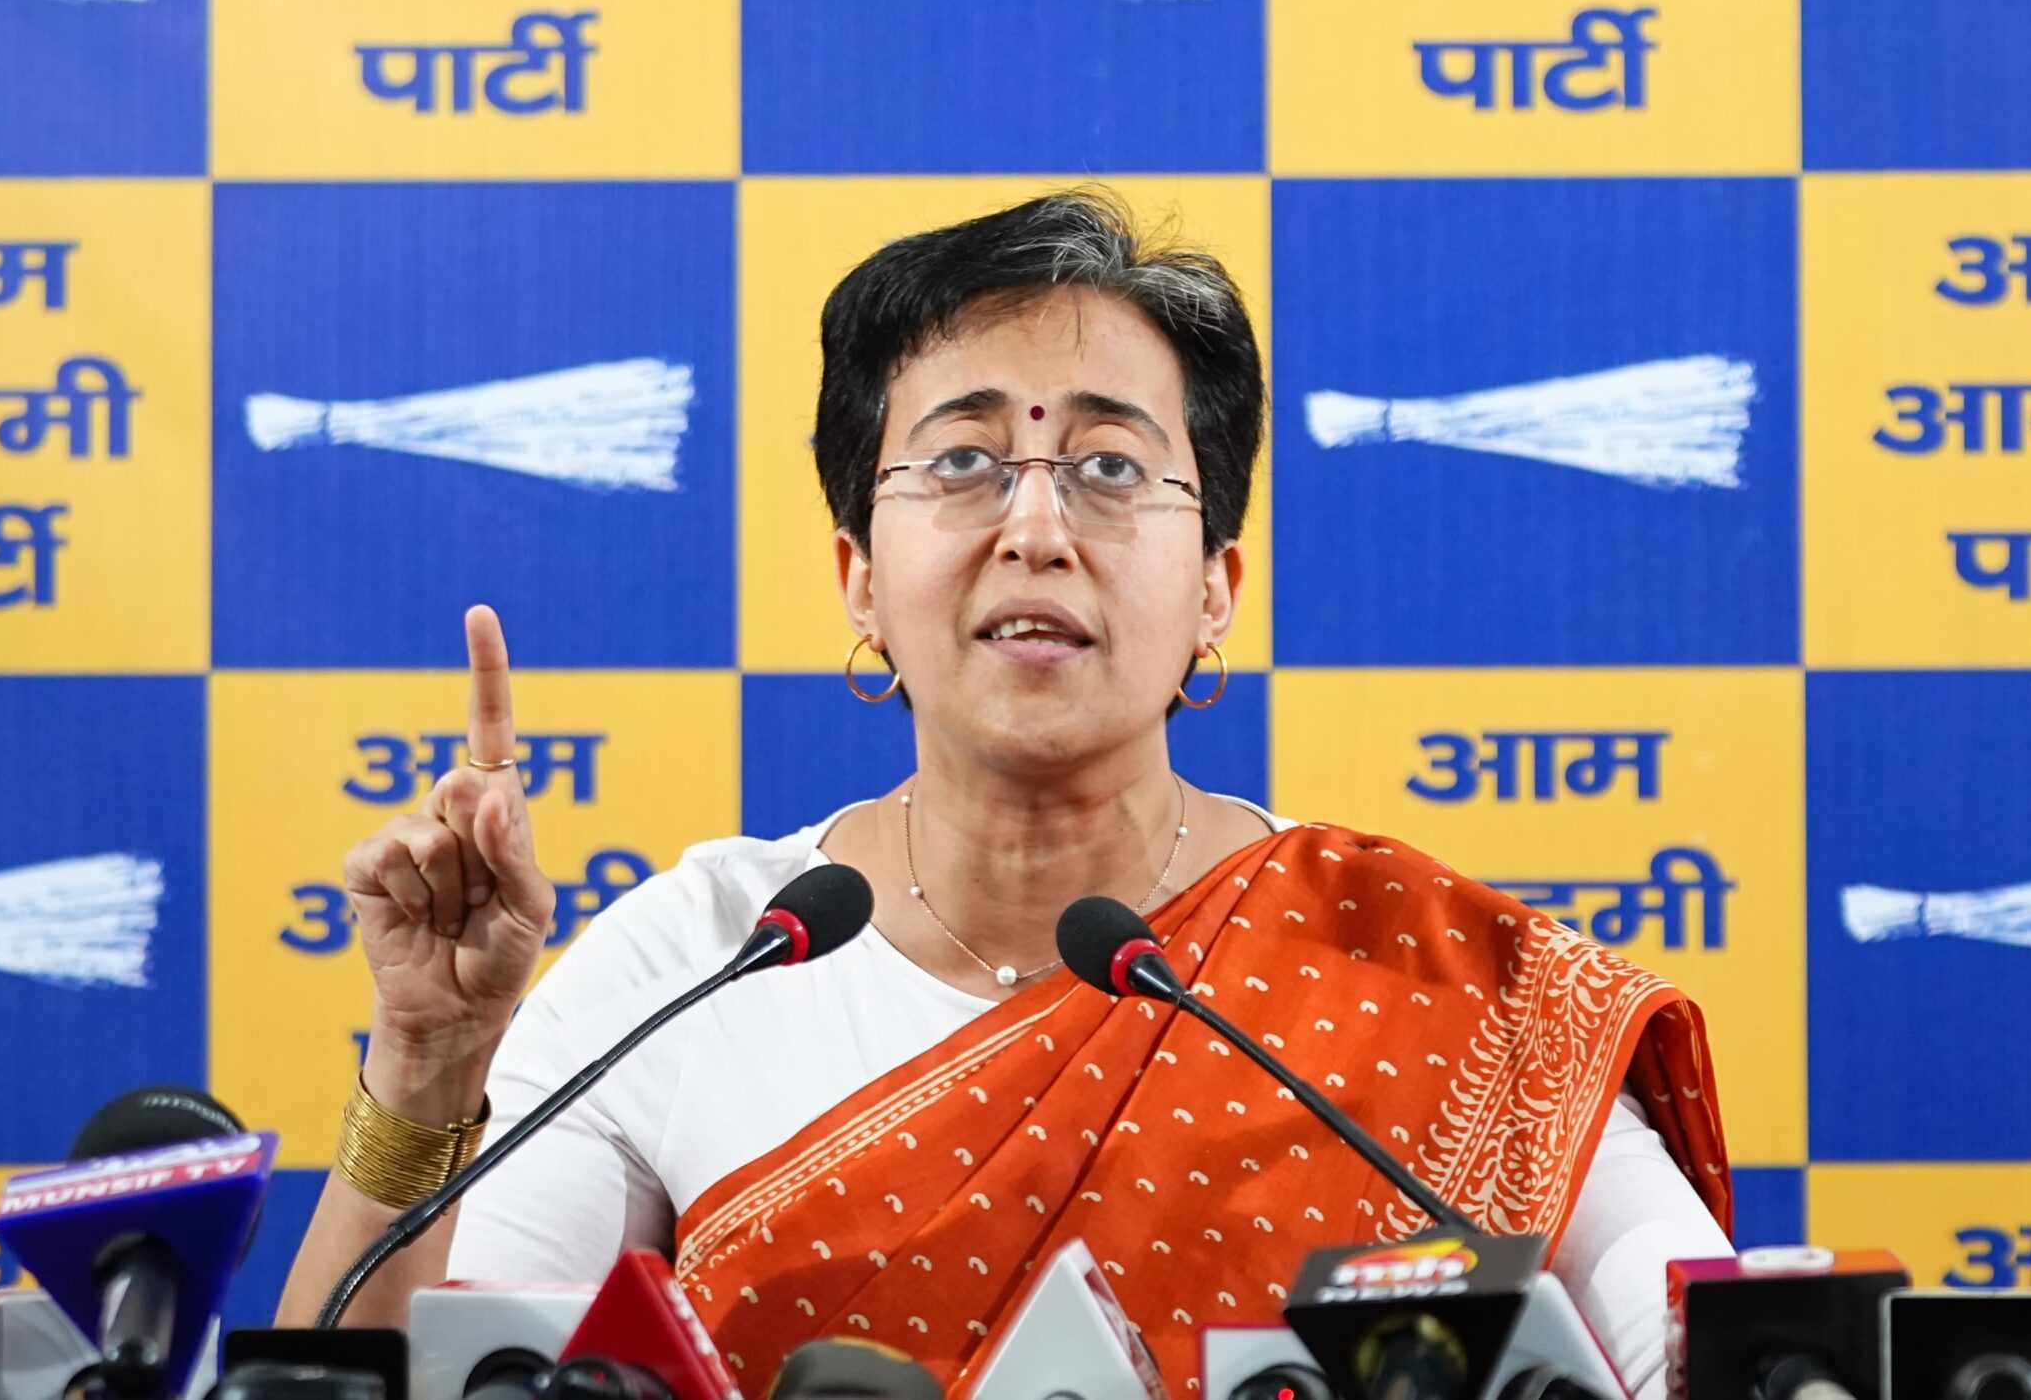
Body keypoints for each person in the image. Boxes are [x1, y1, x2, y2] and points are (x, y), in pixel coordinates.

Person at [277, 190, 1733, 1398]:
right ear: (860, 577)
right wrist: (429, 1064)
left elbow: (1719, 1357)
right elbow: (394, 1386)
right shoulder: (700, 961)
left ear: (1215, 591)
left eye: (1110, 465)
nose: (1036, 527)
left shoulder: (1409, 972)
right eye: (965, 460)